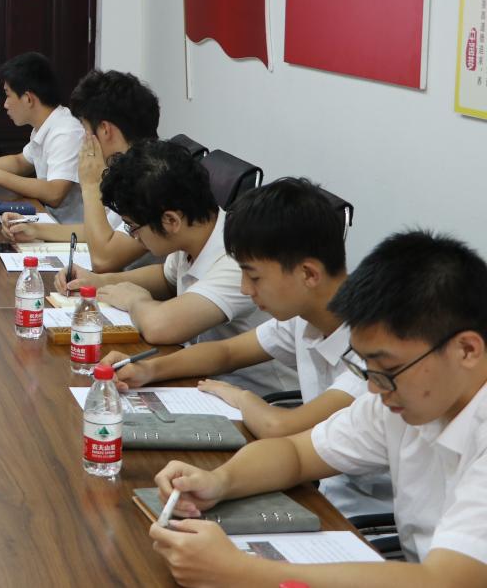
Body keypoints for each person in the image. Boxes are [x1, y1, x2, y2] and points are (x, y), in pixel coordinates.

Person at [150, 231, 487, 586]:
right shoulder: (402, 400)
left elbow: (445, 580)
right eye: (367, 369)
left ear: (466, 350)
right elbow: (296, 453)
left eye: (388, 369)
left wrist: (241, 572)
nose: (374, 388)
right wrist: (218, 481)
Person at [104, 178, 389, 516]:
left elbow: (280, 428)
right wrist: (148, 369)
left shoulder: (377, 355)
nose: (245, 288)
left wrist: (240, 397)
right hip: (317, 487)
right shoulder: (305, 316)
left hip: (358, 517)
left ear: (309, 274)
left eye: (254, 277)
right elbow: (226, 352)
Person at [63, 140, 295, 396]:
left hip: (261, 397)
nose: (133, 235)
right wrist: (100, 282)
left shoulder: (236, 258)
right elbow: (166, 278)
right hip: (205, 379)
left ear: (171, 220)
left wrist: (134, 300)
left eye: (133, 227)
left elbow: (159, 327)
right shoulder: (195, 235)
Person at [2, 68, 159, 271]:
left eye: (85, 128)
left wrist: (91, 184)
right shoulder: (126, 169)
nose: (82, 138)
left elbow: (103, 259)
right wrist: (35, 230)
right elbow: (102, 232)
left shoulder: (150, 178)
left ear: (105, 130)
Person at [0, 52, 85, 222]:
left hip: (71, 230)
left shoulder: (66, 131)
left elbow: (54, 193)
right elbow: (20, 162)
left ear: (28, 99)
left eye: (8, 95)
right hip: (50, 220)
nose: (5, 104)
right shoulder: (44, 126)